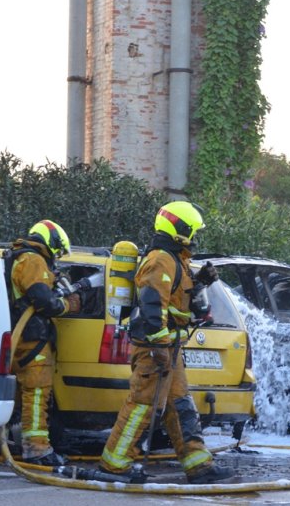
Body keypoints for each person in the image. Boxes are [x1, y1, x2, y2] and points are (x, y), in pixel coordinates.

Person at [99, 201, 234, 484]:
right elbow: (152, 308)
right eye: (192, 231)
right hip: (155, 350)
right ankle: (115, 464)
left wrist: (200, 283)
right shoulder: (160, 259)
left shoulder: (175, 260)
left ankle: (198, 464)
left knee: (180, 405)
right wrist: (160, 346)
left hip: (168, 349)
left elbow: (177, 300)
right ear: (180, 229)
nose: (195, 237)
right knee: (142, 406)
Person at [8, 219, 81, 466]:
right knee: (36, 393)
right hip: (31, 341)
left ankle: (9, 442)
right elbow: (44, 302)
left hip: (20, 338)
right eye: (57, 251)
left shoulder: (20, 257)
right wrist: (68, 305)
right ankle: (37, 449)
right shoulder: (32, 259)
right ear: (50, 242)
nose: (56, 257)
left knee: (19, 395)